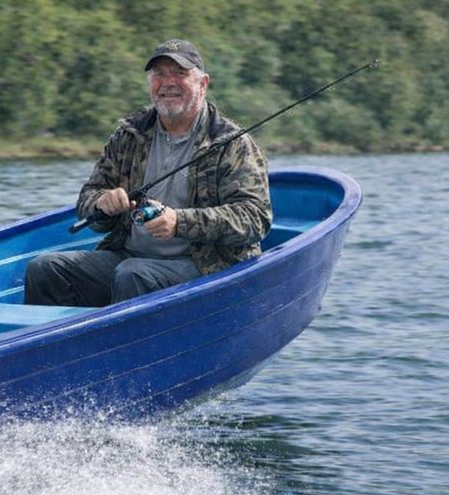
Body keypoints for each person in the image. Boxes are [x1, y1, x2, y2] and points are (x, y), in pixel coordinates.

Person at [24, 39, 272, 307]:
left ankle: (121, 347)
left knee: (132, 275)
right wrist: (102, 203)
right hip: (130, 256)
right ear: (150, 82)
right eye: (159, 74)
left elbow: (255, 218)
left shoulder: (231, 142)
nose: (168, 83)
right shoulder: (129, 133)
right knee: (45, 269)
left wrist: (179, 222)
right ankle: (61, 347)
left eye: (180, 73)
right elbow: (88, 200)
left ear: (203, 84)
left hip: (205, 266)